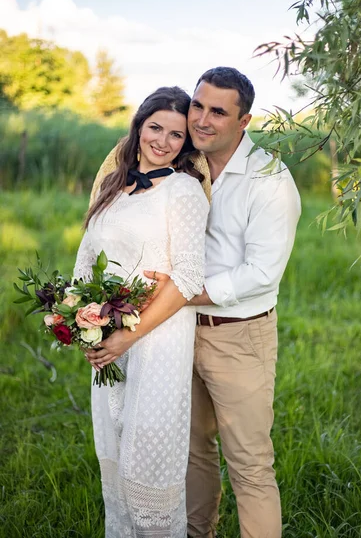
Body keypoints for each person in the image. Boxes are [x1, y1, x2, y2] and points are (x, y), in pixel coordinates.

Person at [89, 67, 301, 538]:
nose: (203, 119)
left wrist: (181, 293)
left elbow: (262, 272)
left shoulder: (269, 179)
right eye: (198, 106)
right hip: (173, 334)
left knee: (249, 463)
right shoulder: (182, 167)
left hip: (236, 334)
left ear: (244, 120)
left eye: (218, 111)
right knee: (190, 453)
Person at [74, 86, 209, 538]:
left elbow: (188, 277)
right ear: (139, 127)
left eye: (176, 134)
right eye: (155, 127)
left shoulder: (184, 191)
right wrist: (82, 322)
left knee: (149, 453)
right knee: (114, 442)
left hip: (158, 340)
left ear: (185, 143)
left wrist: (129, 336)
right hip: (108, 339)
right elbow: (84, 260)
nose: (163, 141)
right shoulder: (115, 185)